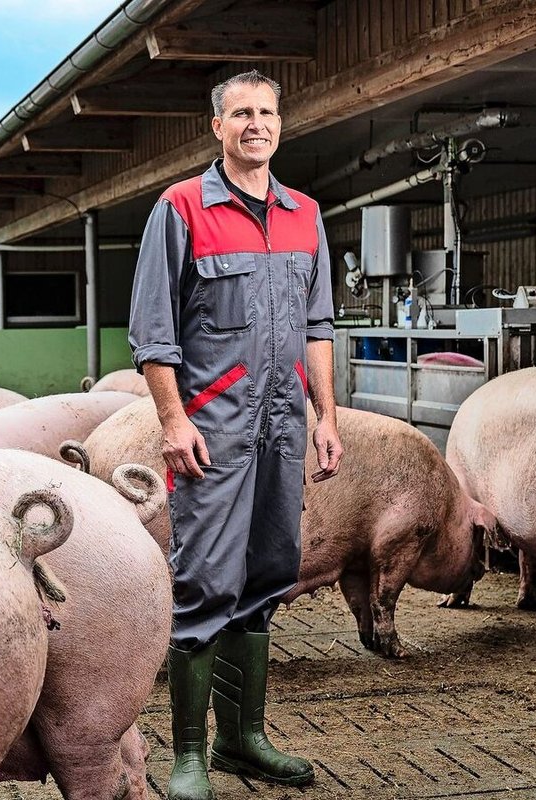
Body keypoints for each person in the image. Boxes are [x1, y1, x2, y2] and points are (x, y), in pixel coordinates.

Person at [128, 69, 344, 799]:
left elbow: (318, 326)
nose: (257, 123)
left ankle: (243, 741)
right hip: (212, 429)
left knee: (266, 578)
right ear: (216, 126)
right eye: (242, 113)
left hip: (284, 426)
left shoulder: (304, 211)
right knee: (204, 584)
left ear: (281, 123)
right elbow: (153, 334)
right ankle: (187, 754)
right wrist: (171, 419)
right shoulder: (181, 207)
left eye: (268, 112)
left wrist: (327, 417)